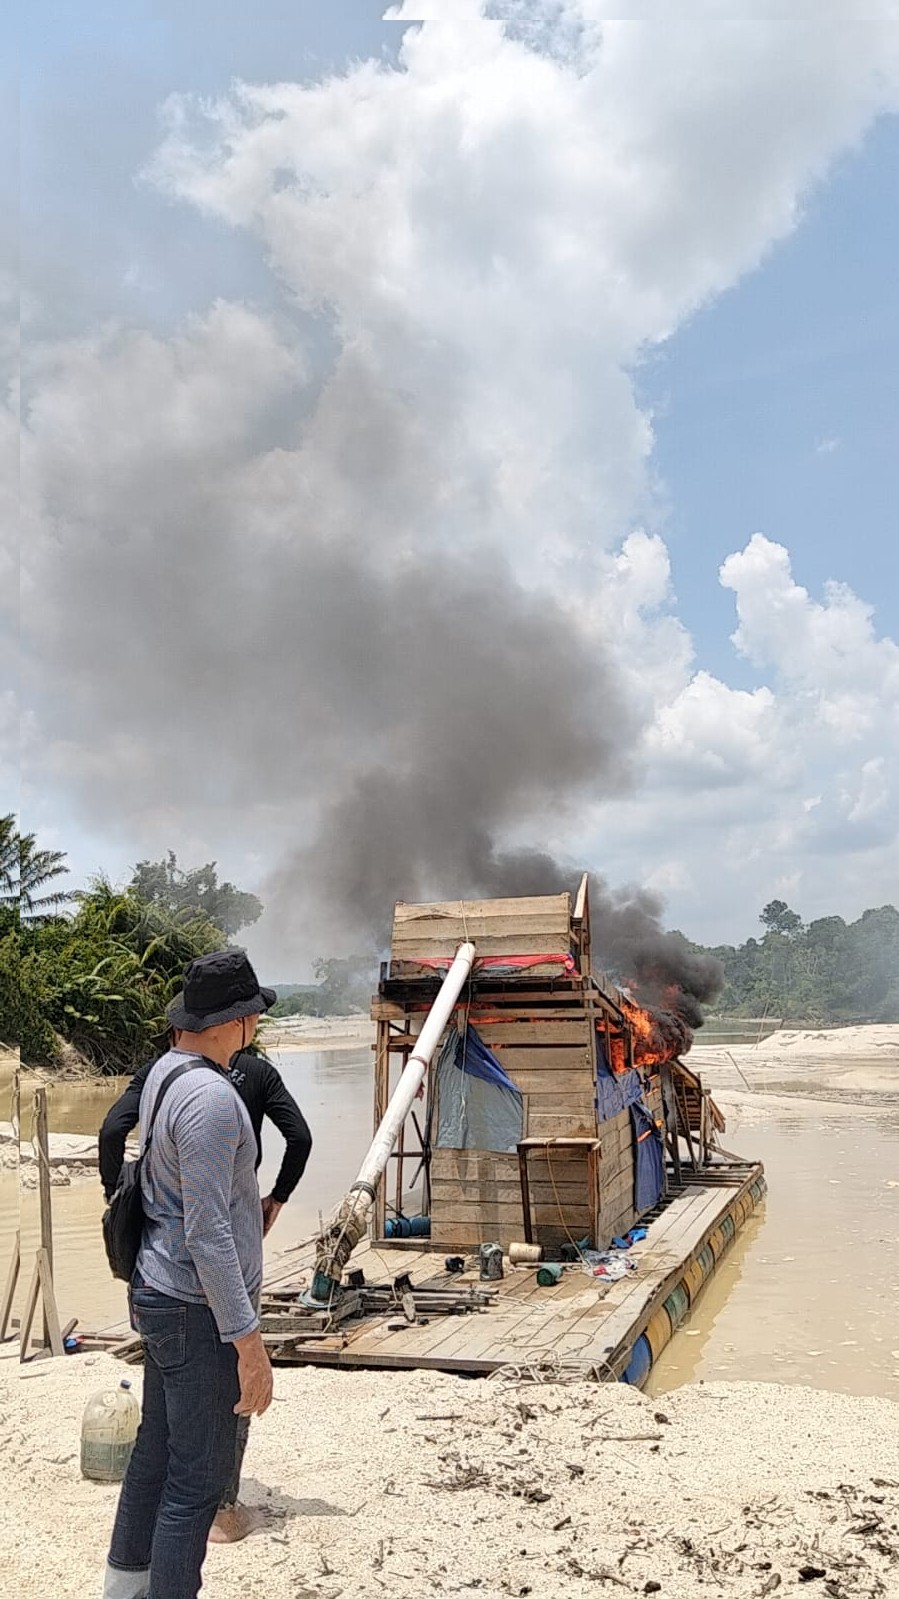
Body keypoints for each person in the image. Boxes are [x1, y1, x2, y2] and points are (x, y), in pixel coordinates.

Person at [102, 949, 277, 1599]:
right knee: (196, 1481)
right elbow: (208, 1231)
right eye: (253, 1012)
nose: (255, 1023)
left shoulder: (165, 1073)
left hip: (158, 1288)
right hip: (191, 1305)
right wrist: (249, 1341)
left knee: (155, 1453)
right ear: (236, 1020)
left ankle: (122, 1589)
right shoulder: (212, 1099)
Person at [99, 1033, 312, 1543]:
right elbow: (299, 1137)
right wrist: (276, 1198)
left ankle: (137, 1568)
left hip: (157, 1269)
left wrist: (121, 1196)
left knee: (160, 1430)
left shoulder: (160, 1076)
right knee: (233, 1394)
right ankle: (223, 1505)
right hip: (216, 1264)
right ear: (236, 1025)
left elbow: (111, 1130)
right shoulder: (251, 1079)